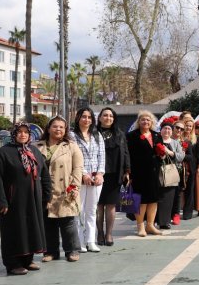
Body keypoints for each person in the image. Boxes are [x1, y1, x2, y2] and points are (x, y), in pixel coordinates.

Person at [0, 123, 52, 275]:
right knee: (14, 230)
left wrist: (47, 195)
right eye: (19, 132)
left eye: (26, 132)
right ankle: (12, 263)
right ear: (14, 134)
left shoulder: (34, 151)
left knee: (30, 228)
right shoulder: (3, 153)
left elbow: (44, 174)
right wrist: (1, 200)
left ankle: (27, 260)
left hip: (33, 199)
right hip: (13, 200)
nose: (23, 135)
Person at [35, 116, 83, 262]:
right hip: (44, 190)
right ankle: (50, 252)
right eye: (55, 126)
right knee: (48, 222)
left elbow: (78, 168)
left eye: (62, 127)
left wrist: (74, 187)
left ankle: (72, 250)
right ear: (48, 129)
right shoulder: (37, 146)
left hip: (65, 188)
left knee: (67, 221)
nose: (58, 129)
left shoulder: (71, 146)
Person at [70, 108, 106, 253]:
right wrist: (84, 174)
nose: (86, 120)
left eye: (89, 117)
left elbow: (101, 156)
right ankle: (79, 241)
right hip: (80, 178)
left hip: (96, 179)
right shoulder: (71, 135)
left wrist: (100, 174)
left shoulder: (97, 135)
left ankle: (91, 240)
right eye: (83, 117)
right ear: (78, 118)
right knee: (80, 210)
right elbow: (73, 156)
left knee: (92, 210)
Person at [127, 111, 165, 237]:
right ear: (138, 122)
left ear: (152, 122)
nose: (146, 122)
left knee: (153, 199)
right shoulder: (132, 136)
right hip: (139, 172)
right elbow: (129, 155)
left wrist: (161, 154)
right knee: (141, 200)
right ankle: (140, 226)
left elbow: (161, 152)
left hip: (154, 172)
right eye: (143, 119)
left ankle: (150, 225)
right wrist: (128, 172)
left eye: (148, 120)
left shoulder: (156, 135)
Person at [96, 108, 130, 246]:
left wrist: (127, 171)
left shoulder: (120, 134)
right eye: (105, 115)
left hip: (115, 174)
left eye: (111, 116)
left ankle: (109, 234)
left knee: (111, 205)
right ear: (99, 118)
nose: (108, 118)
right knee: (98, 206)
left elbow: (126, 152)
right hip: (97, 174)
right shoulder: (93, 133)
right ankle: (99, 233)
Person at [157, 123, 185, 228]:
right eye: (165, 128)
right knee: (159, 197)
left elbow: (181, 156)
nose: (167, 131)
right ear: (161, 130)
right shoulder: (157, 141)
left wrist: (170, 152)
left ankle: (165, 221)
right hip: (158, 172)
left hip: (171, 172)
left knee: (169, 197)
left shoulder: (175, 143)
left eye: (169, 129)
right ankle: (156, 219)